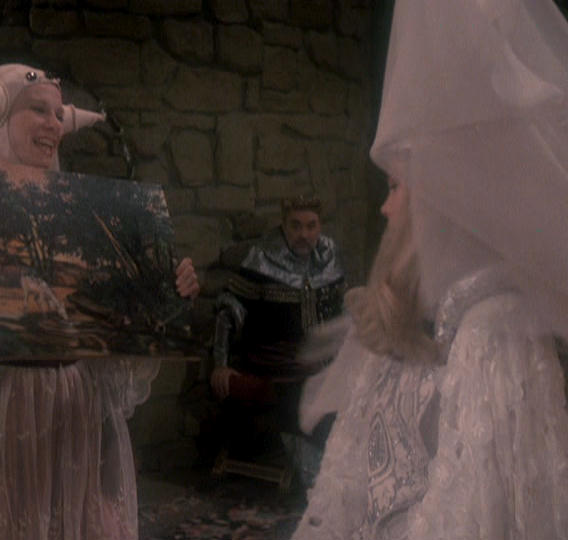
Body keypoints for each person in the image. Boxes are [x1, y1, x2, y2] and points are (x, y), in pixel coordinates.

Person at [0, 61, 199, 540]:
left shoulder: (78, 210)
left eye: (58, 115)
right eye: (38, 111)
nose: (53, 125)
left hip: (75, 415)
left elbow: (108, 330)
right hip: (3, 415)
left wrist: (166, 294)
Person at [292, 0, 568, 538]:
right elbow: (350, 488)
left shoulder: (494, 329)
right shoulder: (421, 311)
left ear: (445, 200)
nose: (385, 208)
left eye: (395, 186)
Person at [208, 196, 344, 477]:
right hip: (274, 365)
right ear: (283, 225)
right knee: (309, 395)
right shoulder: (261, 257)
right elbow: (228, 311)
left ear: (320, 226)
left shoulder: (329, 256)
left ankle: (342, 472)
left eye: (311, 226)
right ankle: (317, 475)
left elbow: (342, 309)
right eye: (295, 225)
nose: (303, 234)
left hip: (321, 360)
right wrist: (220, 363)